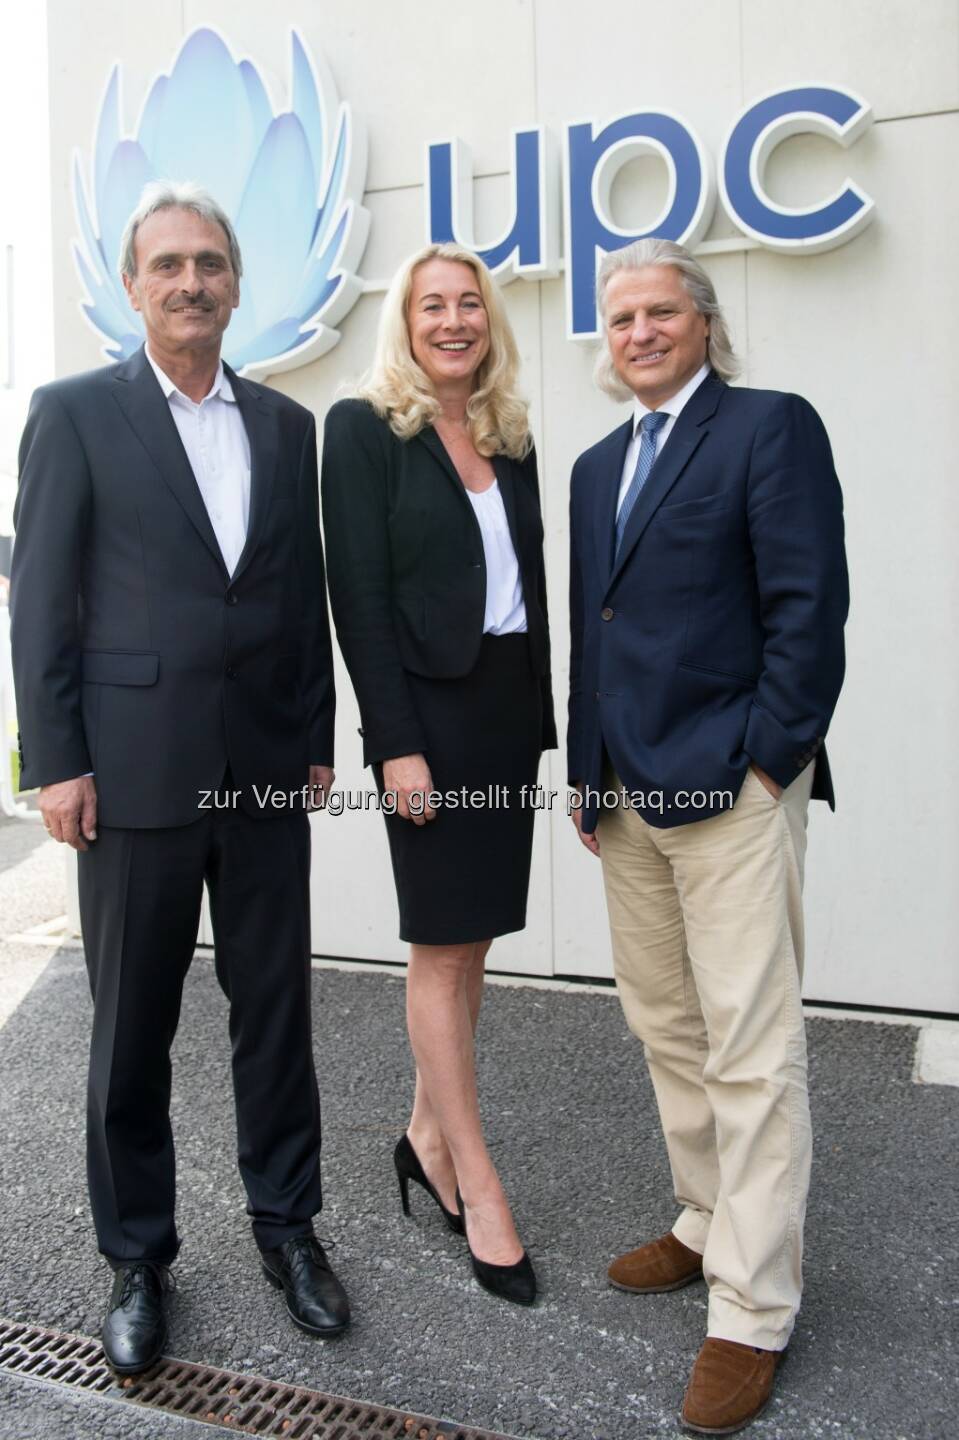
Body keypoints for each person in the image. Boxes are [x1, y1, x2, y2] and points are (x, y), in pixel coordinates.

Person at [10, 181, 349, 1373]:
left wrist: (315, 735)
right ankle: (137, 1259)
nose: (191, 283)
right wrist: (56, 763)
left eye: (209, 263)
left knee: (274, 1017)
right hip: (132, 780)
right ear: (131, 282)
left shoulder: (283, 427)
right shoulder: (73, 414)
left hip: (260, 771)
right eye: (168, 265)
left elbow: (296, 594)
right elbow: (42, 604)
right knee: (131, 1033)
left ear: (236, 283)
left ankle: (288, 1230)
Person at [567, 238, 848, 1433]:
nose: (637, 331)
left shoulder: (766, 427)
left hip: (728, 792)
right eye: (619, 317)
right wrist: (583, 778)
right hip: (624, 796)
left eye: (657, 312)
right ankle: (701, 1218)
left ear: (703, 322)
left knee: (747, 1043)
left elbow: (809, 609)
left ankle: (752, 1304)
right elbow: (599, 629)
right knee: (665, 1026)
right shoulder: (593, 467)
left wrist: (766, 762)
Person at [321, 242, 555, 1307]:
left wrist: (551, 723)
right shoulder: (363, 432)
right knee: (436, 947)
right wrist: (392, 742)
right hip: (428, 719)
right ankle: (478, 1176)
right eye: (432, 306)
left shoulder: (508, 433)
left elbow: (533, 588)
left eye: (468, 304)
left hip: (504, 713)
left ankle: (423, 1135)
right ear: (404, 324)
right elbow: (359, 601)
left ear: (487, 321)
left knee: (472, 948)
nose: (453, 321)